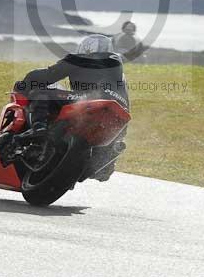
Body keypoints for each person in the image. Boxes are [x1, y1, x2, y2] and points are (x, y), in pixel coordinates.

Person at [15, 34, 129, 180]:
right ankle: (105, 161)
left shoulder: (80, 59)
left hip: (89, 100)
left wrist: (24, 84)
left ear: (86, 48)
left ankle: (39, 129)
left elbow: (48, 75)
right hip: (119, 112)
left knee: (41, 93)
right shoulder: (119, 70)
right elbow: (126, 107)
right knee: (111, 144)